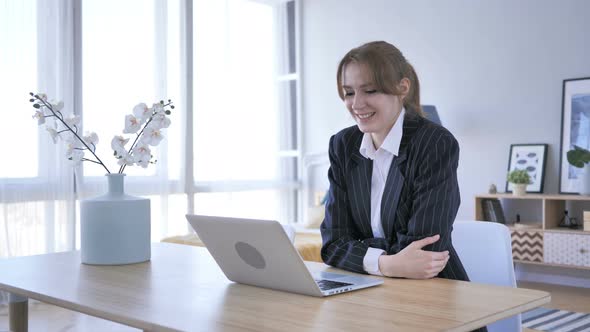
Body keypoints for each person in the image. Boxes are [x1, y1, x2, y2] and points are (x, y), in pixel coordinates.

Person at [320, 41, 469, 281]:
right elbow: (332, 244)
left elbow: (424, 251)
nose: (357, 104)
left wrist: (360, 250)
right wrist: (387, 264)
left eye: (370, 91)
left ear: (402, 88)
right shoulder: (343, 145)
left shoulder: (434, 143)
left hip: (430, 289)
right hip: (366, 287)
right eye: (349, 92)